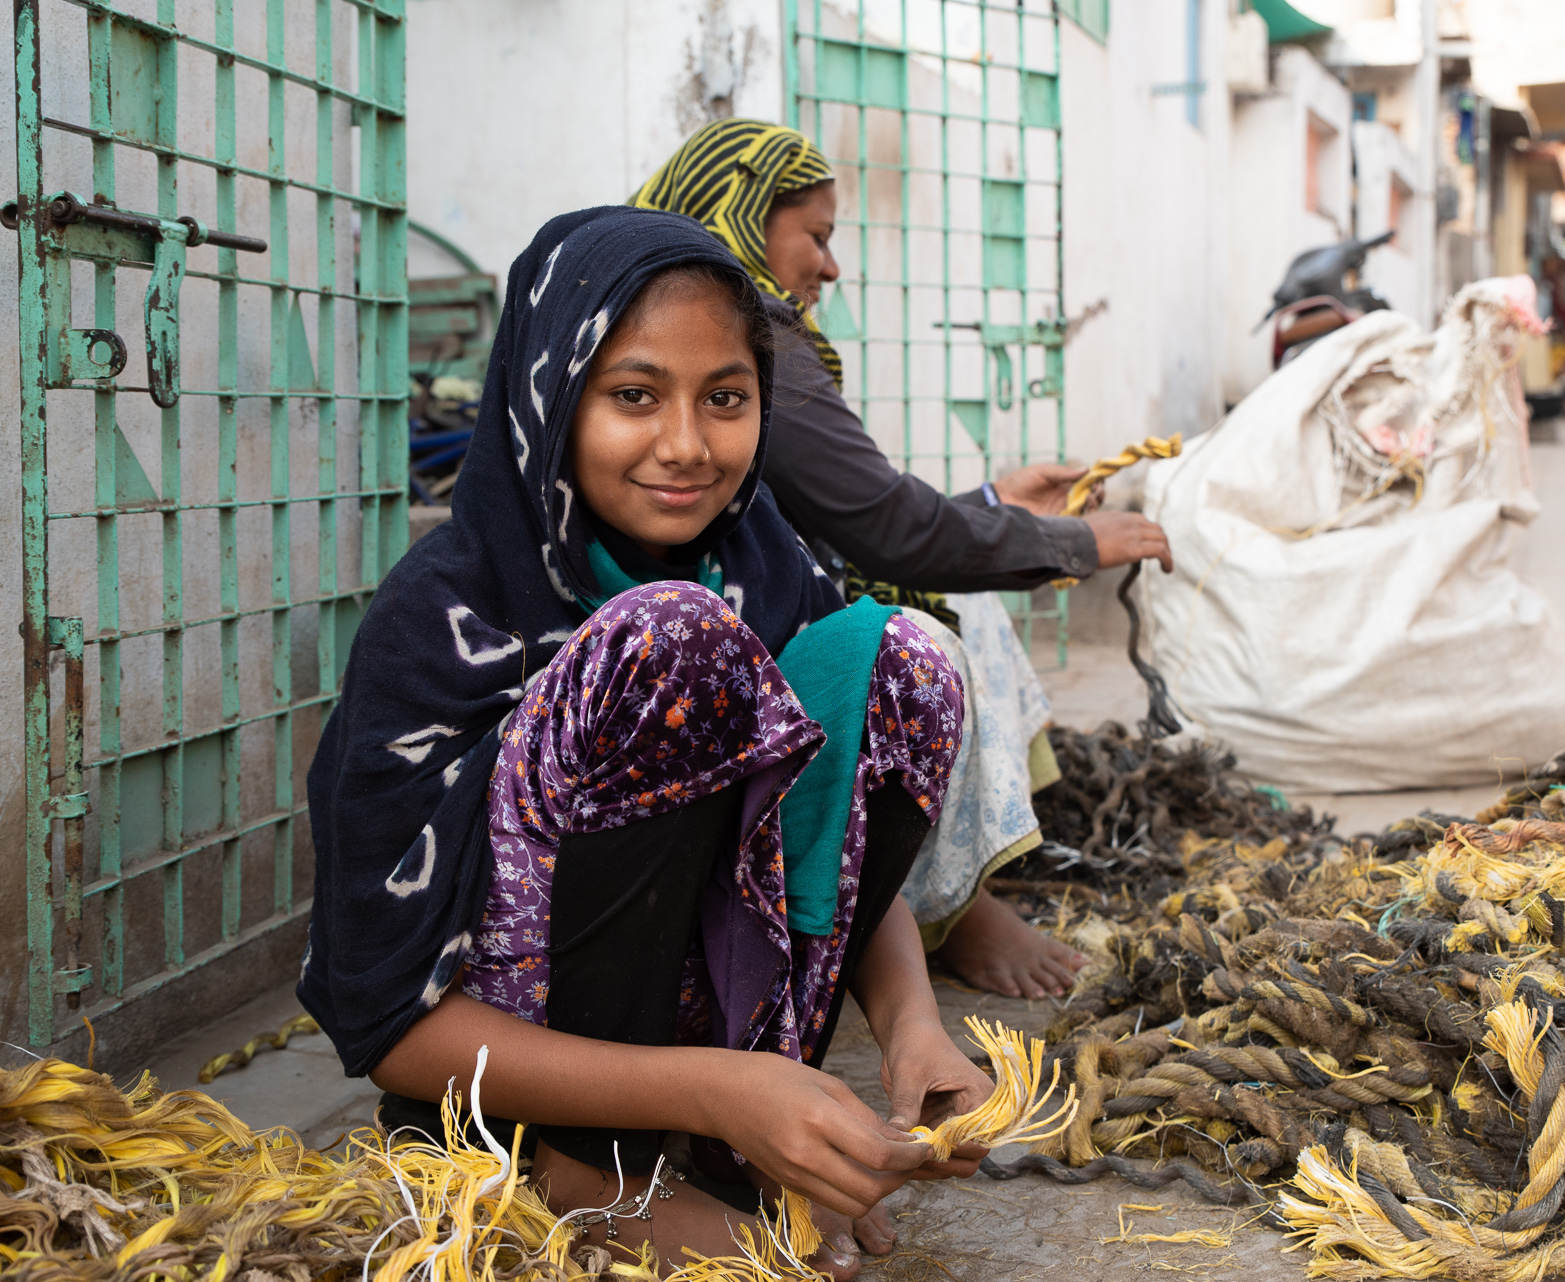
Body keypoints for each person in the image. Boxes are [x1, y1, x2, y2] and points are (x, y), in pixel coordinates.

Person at [300, 207, 992, 1279]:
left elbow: (830, 824)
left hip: (707, 1056)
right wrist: (710, 1085)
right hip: (501, 1072)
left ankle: (745, 1135)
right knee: (671, 642)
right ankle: (584, 1174)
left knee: (897, 661)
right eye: (633, 395)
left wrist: (911, 1024)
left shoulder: (764, 563)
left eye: (726, 398)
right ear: (549, 394)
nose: (686, 445)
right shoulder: (442, 618)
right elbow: (389, 1026)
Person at [633, 119, 1173, 1000]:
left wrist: (998, 508)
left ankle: (964, 889)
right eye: (816, 235)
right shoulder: (740, 328)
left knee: (958, 593)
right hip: (706, 632)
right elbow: (881, 529)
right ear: (742, 213)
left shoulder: (727, 322)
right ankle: (944, 906)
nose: (830, 267)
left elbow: (840, 521)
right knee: (926, 626)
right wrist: (1071, 543)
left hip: (744, 593)